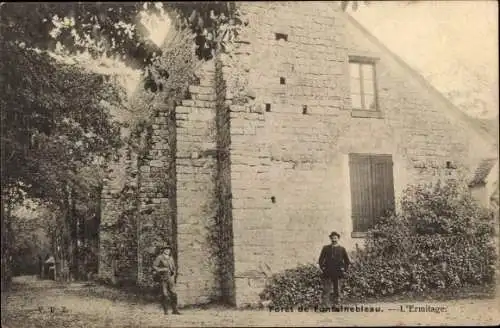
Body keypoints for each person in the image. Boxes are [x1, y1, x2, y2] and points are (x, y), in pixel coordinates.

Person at [318, 231, 351, 306]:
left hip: (338, 271)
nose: (334, 239)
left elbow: (347, 261)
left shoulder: (342, 249)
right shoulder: (326, 248)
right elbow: (320, 259)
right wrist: (322, 268)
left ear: (338, 238)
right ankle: (325, 305)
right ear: (330, 239)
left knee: (337, 289)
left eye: (335, 238)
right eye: (332, 238)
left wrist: (344, 270)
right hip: (328, 271)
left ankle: (337, 304)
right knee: (326, 289)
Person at [152, 244, 180, 315]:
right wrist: (162, 269)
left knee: (174, 294)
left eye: (169, 249)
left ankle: (175, 310)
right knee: (164, 294)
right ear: (163, 250)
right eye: (166, 249)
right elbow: (154, 266)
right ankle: (166, 311)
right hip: (163, 278)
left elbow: (174, 268)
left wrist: (174, 274)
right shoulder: (159, 257)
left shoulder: (171, 258)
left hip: (170, 278)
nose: (168, 251)